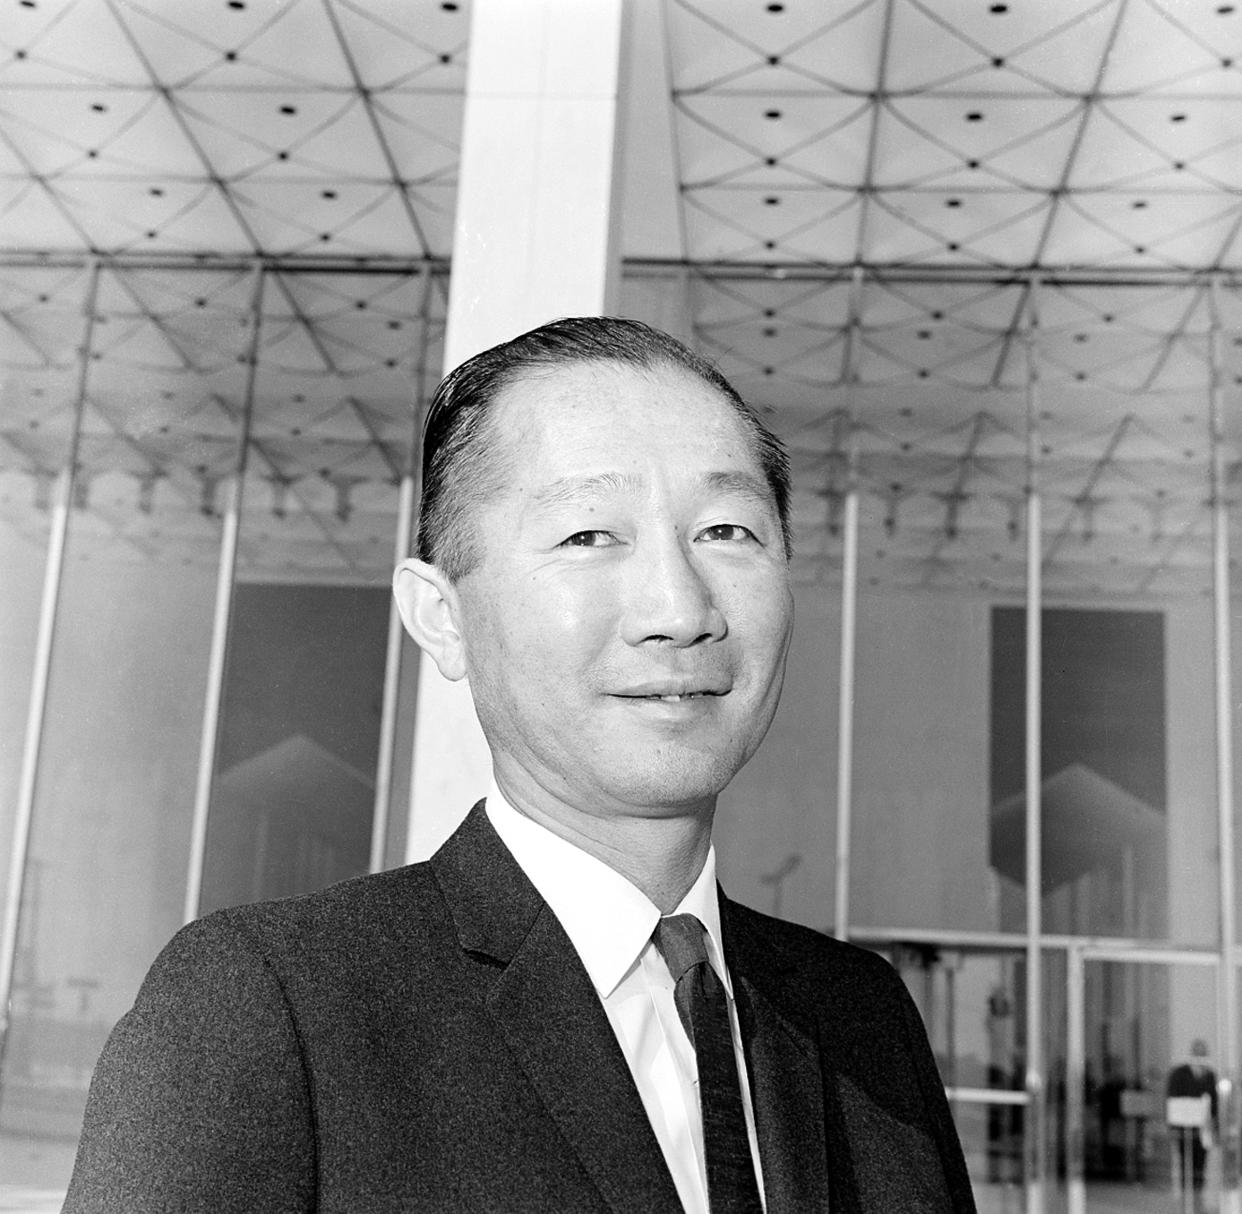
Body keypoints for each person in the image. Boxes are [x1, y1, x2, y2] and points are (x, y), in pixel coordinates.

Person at [63, 317, 975, 1213]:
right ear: (443, 616)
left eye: (729, 531)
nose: (679, 607)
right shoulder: (270, 1013)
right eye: (588, 535)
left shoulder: (863, 1018)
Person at [1167, 1038, 1218, 1212]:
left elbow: (1215, 1103)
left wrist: (1215, 1127)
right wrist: (1173, 1127)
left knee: (1200, 1164)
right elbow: (1172, 1100)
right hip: (1184, 1128)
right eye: (1197, 1052)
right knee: (1185, 1163)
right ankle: (1185, 1201)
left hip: (1202, 1129)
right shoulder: (1179, 1073)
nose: (1200, 1056)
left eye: (1203, 1052)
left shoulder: (1210, 1075)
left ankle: (1198, 1200)